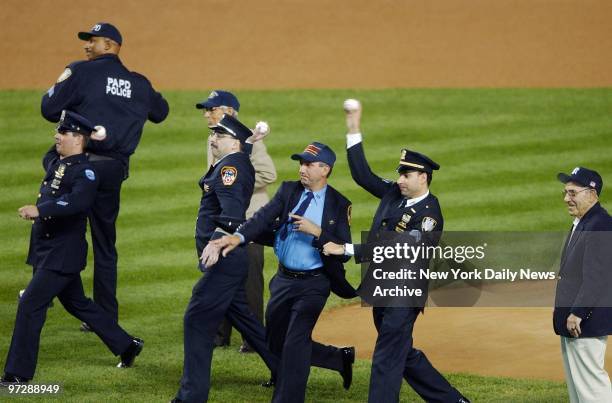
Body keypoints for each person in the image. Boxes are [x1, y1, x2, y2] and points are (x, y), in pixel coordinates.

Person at [323, 101, 470, 403]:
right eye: (400, 174)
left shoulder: (430, 215)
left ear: (423, 177)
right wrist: (353, 128)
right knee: (403, 353)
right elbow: (363, 175)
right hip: (381, 289)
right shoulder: (395, 193)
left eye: (406, 175)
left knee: (387, 356)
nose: (400, 179)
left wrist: (349, 248)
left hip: (403, 294)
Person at [40, 22, 169, 326]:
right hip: (113, 170)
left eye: (92, 41)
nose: (86, 46)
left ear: (110, 45)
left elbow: (48, 107)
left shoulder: (82, 72)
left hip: (79, 167)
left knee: (54, 228)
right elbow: (160, 112)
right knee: (104, 243)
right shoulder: (138, 83)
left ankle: (39, 297)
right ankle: (104, 316)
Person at [0, 111, 143, 387]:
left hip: (62, 254)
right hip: (47, 250)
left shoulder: (86, 173)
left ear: (77, 139)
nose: (56, 136)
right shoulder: (58, 161)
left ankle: (17, 375)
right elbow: (51, 154)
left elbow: (77, 203)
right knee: (78, 304)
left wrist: (39, 210)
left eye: (63, 133)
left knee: (30, 304)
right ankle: (127, 345)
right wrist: (87, 133)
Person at [211, 142, 356, 403]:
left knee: (295, 345)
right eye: (301, 163)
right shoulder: (289, 190)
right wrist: (239, 237)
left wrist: (318, 232)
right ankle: (338, 358)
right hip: (283, 280)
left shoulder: (338, 204)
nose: (302, 168)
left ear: (325, 169)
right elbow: (263, 217)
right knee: (275, 342)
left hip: (314, 284)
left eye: (309, 164)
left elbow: (343, 250)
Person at [173, 114, 279, 403]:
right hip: (230, 257)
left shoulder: (231, 166)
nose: (212, 139)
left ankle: (191, 397)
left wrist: (218, 240)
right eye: (212, 134)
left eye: (219, 135)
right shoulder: (233, 160)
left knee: (196, 319)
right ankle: (286, 371)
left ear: (233, 142)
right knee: (245, 320)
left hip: (226, 257)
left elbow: (232, 212)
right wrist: (248, 142)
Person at [196, 90, 277, 352]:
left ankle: (252, 340)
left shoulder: (244, 139)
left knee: (249, 279)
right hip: (223, 221)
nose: (207, 113)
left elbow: (268, 173)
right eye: (206, 110)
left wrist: (233, 186)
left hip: (249, 220)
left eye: (212, 109)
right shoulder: (214, 139)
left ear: (230, 112)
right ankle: (220, 334)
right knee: (219, 277)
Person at [555, 167, 612, 403]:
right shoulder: (583, 221)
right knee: (578, 388)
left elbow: (597, 276)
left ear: (592, 193)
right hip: (576, 318)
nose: (567, 198)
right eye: (565, 192)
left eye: (572, 193)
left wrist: (578, 311)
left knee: (590, 386)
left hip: (586, 319)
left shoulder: (600, 224)